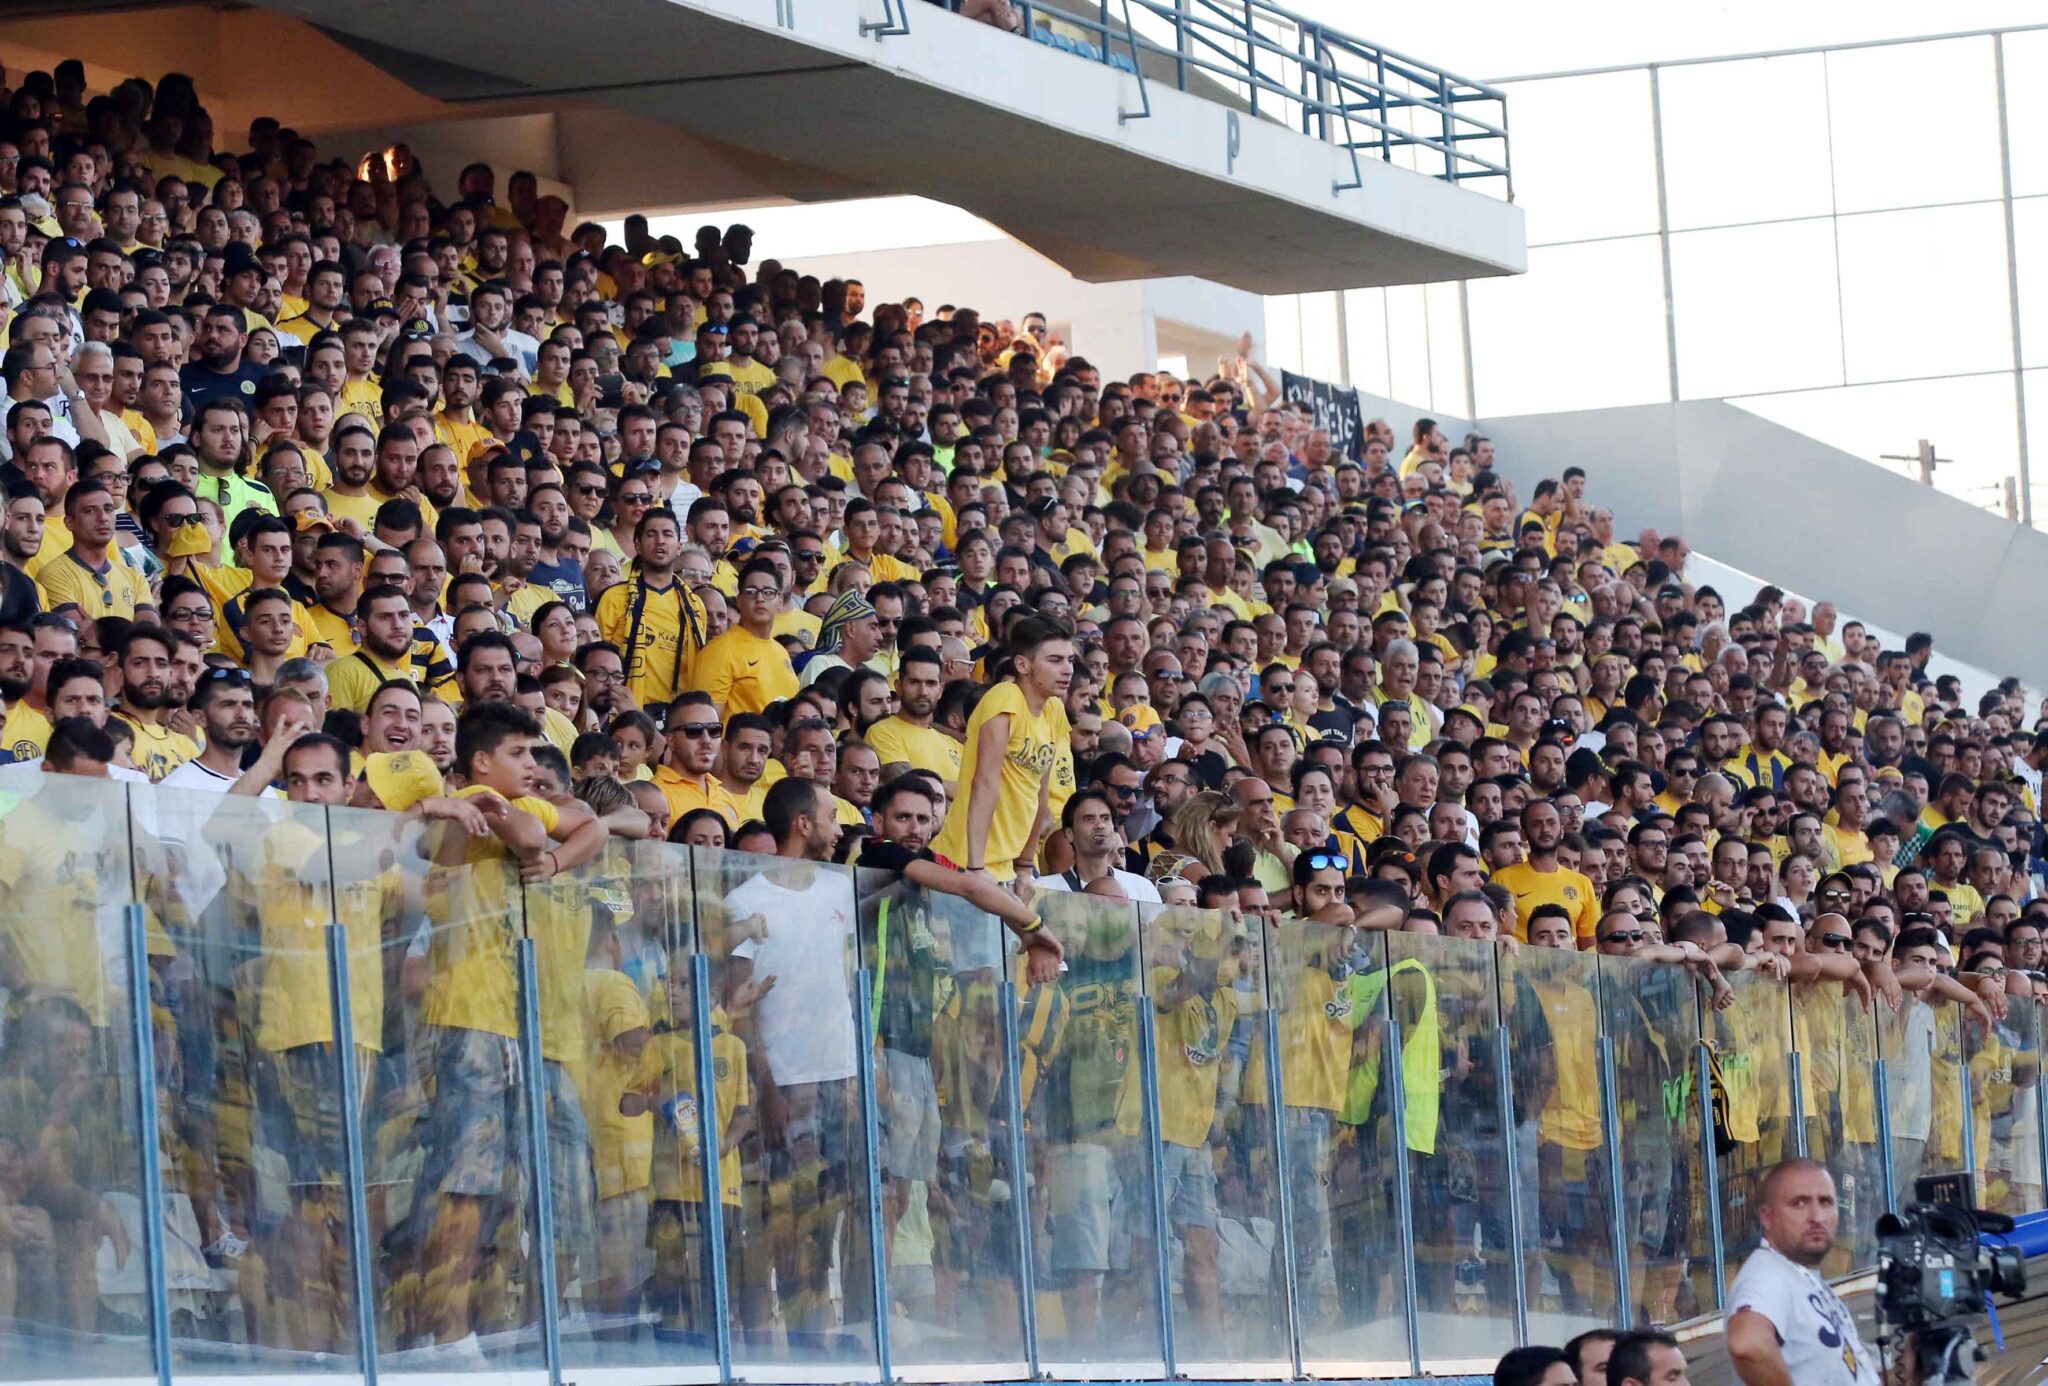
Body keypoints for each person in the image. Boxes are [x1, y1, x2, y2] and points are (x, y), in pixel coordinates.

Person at [1726, 1157, 1879, 1384]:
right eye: (1799, 1204)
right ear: (1767, 1218)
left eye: (1826, 1202)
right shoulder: (1768, 1273)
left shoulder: (1798, 1275)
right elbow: (1747, 1343)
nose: (1817, 1217)